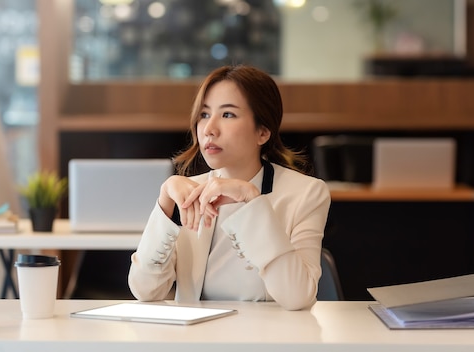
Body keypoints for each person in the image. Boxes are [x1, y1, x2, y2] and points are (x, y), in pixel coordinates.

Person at [128, 64, 331, 310]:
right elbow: (145, 291)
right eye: (204, 115)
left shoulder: (306, 193)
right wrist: (165, 202)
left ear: (263, 132)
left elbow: (298, 297)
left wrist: (252, 201)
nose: (209, 129)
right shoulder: (189, 190)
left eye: (227, 115)